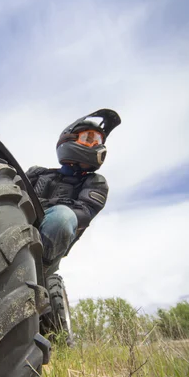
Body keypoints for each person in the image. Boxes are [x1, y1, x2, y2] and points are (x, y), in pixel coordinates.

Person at [26, 108, 121, 276]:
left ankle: (39, 273)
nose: (97, 145)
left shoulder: (95, 182)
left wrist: (43, 205)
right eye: (89, 139)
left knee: (62, 217)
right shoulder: (38, 173)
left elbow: (84, 213)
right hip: (18, 226)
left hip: (48, 249)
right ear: (68, 139)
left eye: (99, 141)